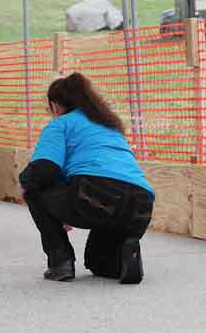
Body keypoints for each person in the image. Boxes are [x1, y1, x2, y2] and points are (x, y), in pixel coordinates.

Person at [19, 73, 155, 284]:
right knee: (98, 263)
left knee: (33, 187)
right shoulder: (109, 125)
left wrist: (24, 184)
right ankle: (127, 256)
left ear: (55, 105)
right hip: (140, 207)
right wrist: (62, 205)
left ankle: (60, 262)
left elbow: (44, 169)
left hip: (97, 195)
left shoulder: (60, 124)